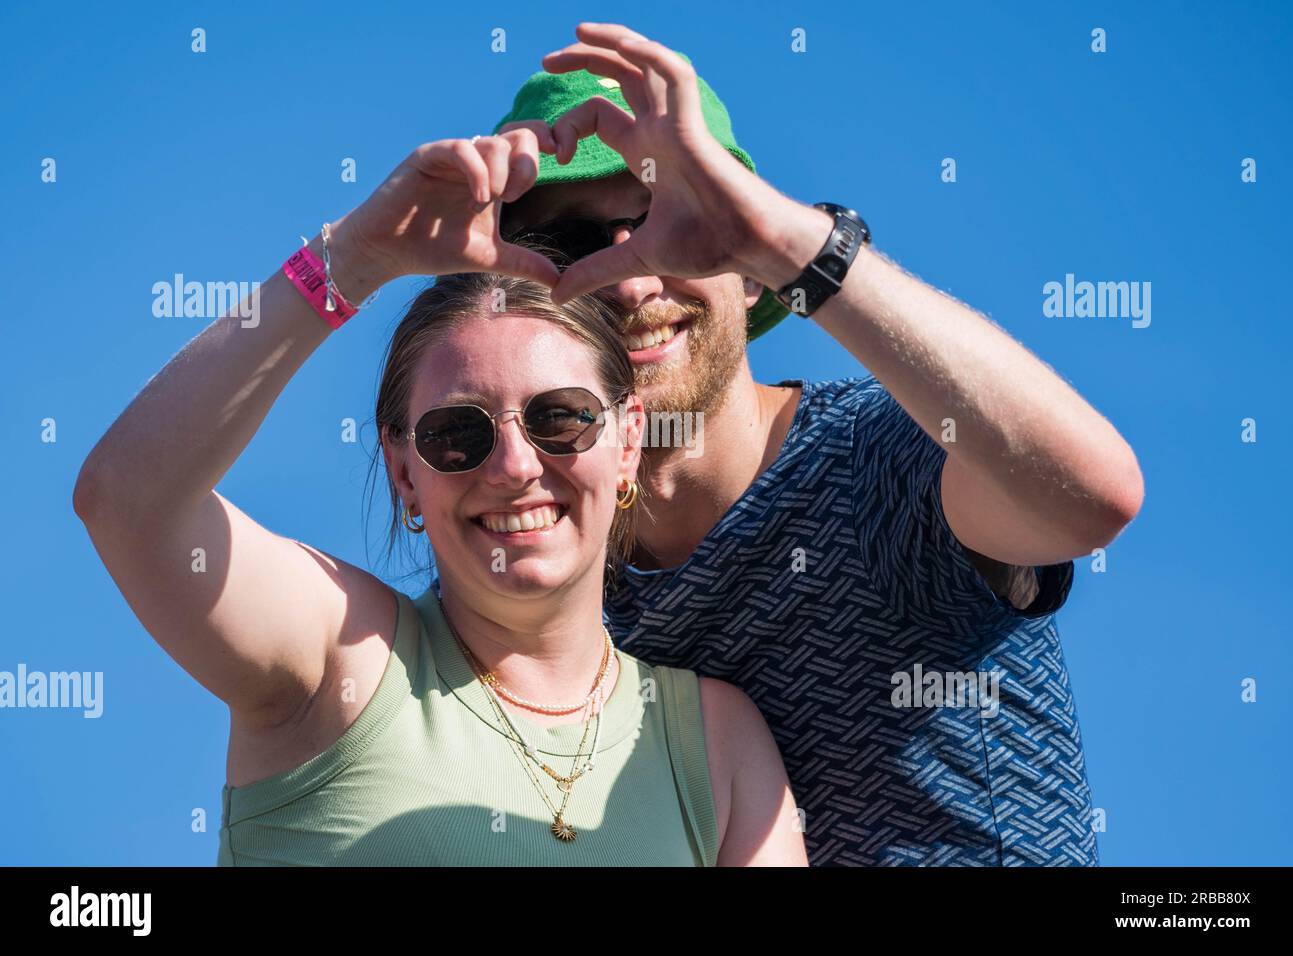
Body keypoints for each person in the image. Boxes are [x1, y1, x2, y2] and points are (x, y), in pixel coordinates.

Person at [478, 23, 1146, 866]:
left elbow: (1092, 497)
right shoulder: (540, 578)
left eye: (672, 219)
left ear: (751, 262)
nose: (635, 276)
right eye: (574, 245)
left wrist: (794, 242)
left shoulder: (878, 455)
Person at [72, 131, 808, 865]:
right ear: (403, 471)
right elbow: (127, 500)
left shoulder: (715, 745)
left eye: (560, 418)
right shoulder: (340, 660)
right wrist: (352, 261)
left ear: (625, 444)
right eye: (459, 434)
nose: (516, 465)